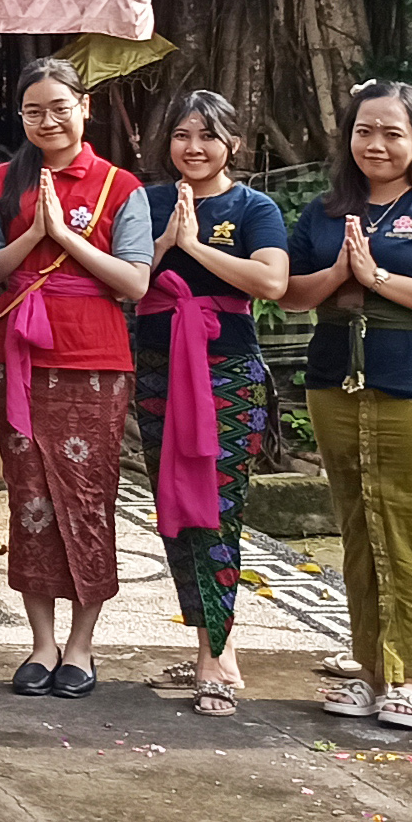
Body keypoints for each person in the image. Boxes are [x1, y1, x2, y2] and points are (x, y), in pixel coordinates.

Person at [278, 79, 412, 732]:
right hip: (335, 381)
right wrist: (339, 276)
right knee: (359, 527)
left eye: (391, 131)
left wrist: (377, 280)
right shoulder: (323, 210)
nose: (375, 143)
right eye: (364, 129)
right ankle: (372, 670)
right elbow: (288, 291)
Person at [0, 55, 152, 698]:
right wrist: (35, 235)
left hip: (94, 360)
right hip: (16, 358)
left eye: (60, 107)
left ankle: (80, 645)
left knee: (87, 500)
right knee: (28, 501)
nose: (47, 121)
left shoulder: (119, 185)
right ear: (20, 117)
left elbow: (134, 282)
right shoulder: (1, 180)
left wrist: (65, 237)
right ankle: (41, 642)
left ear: (84, 107)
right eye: (33, 111)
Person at [132, 92, 291, 718]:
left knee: (218, 510)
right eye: (181, 135)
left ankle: (215, 658)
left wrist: (194, 248)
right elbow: (126, 282)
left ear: (233, 144)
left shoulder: (254, 206)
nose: (193, 147)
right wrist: (164, 244)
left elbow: (272, 283)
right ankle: (210, 641)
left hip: (225, 373)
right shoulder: (145, 203)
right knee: (172, 508)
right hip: (156, 370)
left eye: (208, 135)